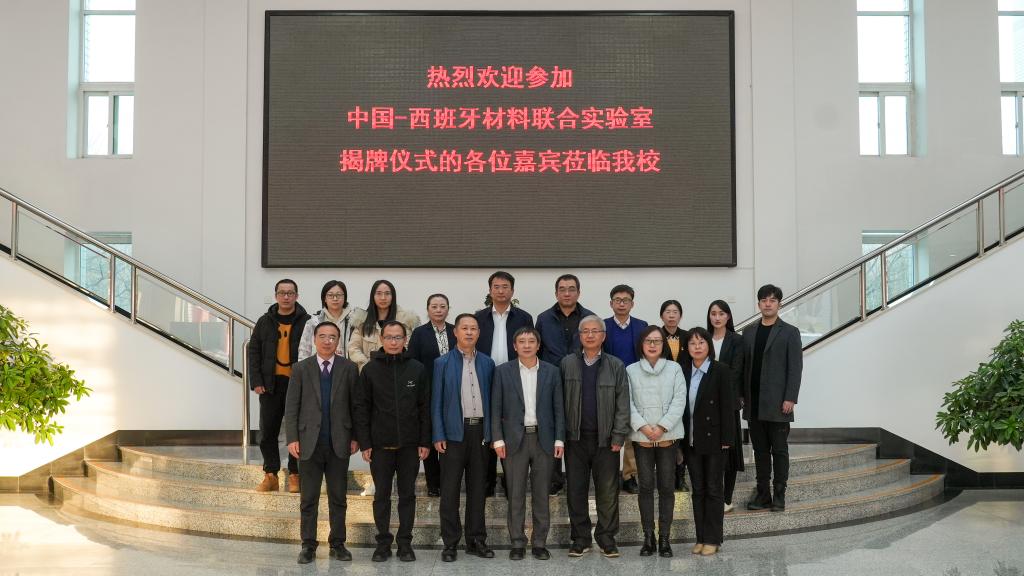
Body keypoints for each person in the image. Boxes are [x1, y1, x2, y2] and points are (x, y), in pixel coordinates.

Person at [353, 321, 431, 563]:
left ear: (405, 340)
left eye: (398, 337)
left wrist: (424, 441)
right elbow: (361, 408)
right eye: (389, 337)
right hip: (380, 446)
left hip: (410, 445)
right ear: (381, 339)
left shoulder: (417, 369)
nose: (394, 342)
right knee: (381, 497)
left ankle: (405, 543)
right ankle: (383, 543)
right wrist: (365, 443)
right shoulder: (370, 370)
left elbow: (424, 408)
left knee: (407, 496)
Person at [283, 321, 359, 564]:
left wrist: (355, 436)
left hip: (339, 443)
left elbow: (355, 406)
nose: (327, 341)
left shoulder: (349, 368)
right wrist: (292, 438)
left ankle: (338, 543)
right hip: (308, 443)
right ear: (314, 340)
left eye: (332, 337)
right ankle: (308, 545)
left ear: (339, 341)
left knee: (338, 498)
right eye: (323, 336)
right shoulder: (301, 368)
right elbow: (291, 407)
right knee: (309, 499)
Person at [491, 327, 564, 561]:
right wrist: (497, 438)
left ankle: (540, 543)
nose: (526, 345)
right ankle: (517, 543)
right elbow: (495, 408)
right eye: (521, 341)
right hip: (514, 440)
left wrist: (559, 438)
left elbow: (559, 408)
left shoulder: (552, 372)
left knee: (542, 494)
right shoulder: (502, 372)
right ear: (515, 346)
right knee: (516, 494)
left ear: (538, 345)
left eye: (531, 341)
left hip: (544, 439)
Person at [561, 315, 630, 558]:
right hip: (575, 439)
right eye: (585, 331)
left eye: (595, 331)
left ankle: (606, 538)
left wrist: (618, 435)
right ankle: (580, 539)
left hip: (606, 440)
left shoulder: (616, 365)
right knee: (575, 491)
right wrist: (561, 436)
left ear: (603, 336)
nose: (590, 335)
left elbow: (623, 404)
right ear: (579, 336)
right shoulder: (567, 364)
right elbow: (559, 403)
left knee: (608, 493)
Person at [432, 314, 496, 562]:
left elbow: (493, 401)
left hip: (480, 434)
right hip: (452, 434)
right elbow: (436, 402)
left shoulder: (488, 363)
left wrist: (492, 434)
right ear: (455, 332)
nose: (469, 332)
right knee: (449, 492)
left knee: (478, 490)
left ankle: (476, 540)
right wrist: (438, 433)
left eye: (473, 328)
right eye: (464, 328)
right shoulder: (442, 363)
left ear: (479, 333)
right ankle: (450, 543)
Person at [626, 326, 686, 557]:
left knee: (667, 488)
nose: (652, 345)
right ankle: (648, 537)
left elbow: (680, 400)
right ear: (641, 344)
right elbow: (627, 402)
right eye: (648, 341)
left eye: (657, 341)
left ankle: (664, 539)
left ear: (664, 345)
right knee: (645, 488)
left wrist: (661, 427)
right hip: (642, 437)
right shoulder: (631, 370)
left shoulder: (674, 368)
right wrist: (643, 427)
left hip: (667, 437)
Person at [247, 279, 310, 493]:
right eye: (282, 293)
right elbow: (254, 351)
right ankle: (271, 474)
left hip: (297, 385)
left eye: (290, 293)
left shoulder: (307, 322)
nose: (286, 297)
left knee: (297, 430)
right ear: (276, 296)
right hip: (270, 385)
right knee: (268, 431)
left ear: (296, 296)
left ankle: (294, 474)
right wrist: (256, 381)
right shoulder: (265, 321)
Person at [743, 284, 802, 512]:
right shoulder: (749, 332)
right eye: (764, 300)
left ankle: (779, 495)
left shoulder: (789, 332)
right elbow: (745, 367)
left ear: (779, 304)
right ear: (758, 304)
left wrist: (790, 398)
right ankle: (763, 494)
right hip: (754, 403)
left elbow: (795, 368)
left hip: (779, 404)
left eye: (772, 300)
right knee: (759, 452)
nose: (768, 304)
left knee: (779, 451)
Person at [475, 271, 534, 497]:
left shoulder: (524, 318)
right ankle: (487, 482)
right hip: (485, 378)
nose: (500, 291)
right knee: (488, 427)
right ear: (490, 290)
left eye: (505, 287)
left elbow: (529, 347)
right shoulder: (479, 317)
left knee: (511, 426)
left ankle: (512, 483)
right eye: (496, 287)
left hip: (513, 379)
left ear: (512, 290)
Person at [535, 274, 594, 494]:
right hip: (550, 381)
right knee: (551, 428)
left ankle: (577, 477)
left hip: (582, 380)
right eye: (562, 289)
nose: (567, 293)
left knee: (577, 428)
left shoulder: (589, 318)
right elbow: (537, 351)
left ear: (578, 292)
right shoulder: (544, 318)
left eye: (571, 289)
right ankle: (554, 479)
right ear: (556, 293)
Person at [681, 326, 735, 557]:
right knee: (698, 490)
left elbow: (728, 406)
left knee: (714, 489)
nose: (697, 347)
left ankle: (713, 538)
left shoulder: (720, 370)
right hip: (691, 439)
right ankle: (701, 537)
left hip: (715, 440)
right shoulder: (683, 371)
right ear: (687, 348)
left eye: (701, 342)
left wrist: (727, 439)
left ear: (708, 346)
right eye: (692, 343)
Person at [406, 293, 455, 497]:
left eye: (442, 306)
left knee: (450, 437)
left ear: (448, 309)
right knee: (430, 435)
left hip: (453, 391)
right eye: (434, 306)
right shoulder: (419, 333)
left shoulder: (455, 331)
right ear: (428, 309)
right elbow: (412, 362)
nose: (438, 310)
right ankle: (433, 484)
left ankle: (449, 482)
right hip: (428, 389)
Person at [603, 284, 649, 495]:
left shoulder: (642, 326)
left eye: (626, 300)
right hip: (607, 386)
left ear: (632, 303)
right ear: (611, 303)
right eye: (617, 300)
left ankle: (629, 476)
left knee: (632, 431)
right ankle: (609, 476)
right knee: (609, 431)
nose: (622, 304)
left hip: (634, 385)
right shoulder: (603, 326)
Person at [707, 300, 747, 513]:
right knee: (710, 451)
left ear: (728, 317)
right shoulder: (703, 338)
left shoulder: (737, 340)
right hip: (706, 404)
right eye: (713, 313)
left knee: (729, 452)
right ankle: (712, 496)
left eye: (721, 313)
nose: (717, 317)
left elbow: (736, 371)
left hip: (728, 402)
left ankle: (727, 498)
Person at [348, 279, 421, 371]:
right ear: (373, 296)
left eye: (387, 293)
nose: (383, 298)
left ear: (393, 296)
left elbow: (408, 348)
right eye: (379, 293)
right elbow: (353, 348)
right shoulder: (362, 321)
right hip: (369, 372)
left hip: (397, 371)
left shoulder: (404, 320)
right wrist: (367, 366)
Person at [659, 299, 689, 491]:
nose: (671, 315)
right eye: (668, 312)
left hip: (685, 390)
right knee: (667, 435)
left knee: (682, 435)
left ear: (680, 315)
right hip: (662, 391)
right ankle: (666, 476)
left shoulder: (688, 336)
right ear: (661, 315)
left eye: (675, 312)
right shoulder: (656, 336)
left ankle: (681, 476)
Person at [298, 280, 363, 361]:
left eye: (338, 295)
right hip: (319, 367)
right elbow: (304, 351)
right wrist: (304, 368)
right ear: (324, 298)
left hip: (348, 367)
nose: (335, 298)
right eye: (330, 295)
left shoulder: (355, 321)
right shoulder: (314, 322)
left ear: (344, 298)